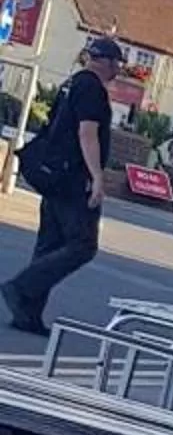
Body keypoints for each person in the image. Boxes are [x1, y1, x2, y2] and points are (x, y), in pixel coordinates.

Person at [2, 36, 123, 334]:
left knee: (49, 244)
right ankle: (21, 287)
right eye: (117, 63)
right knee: (83, 245)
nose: (118, 69)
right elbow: (87, 133)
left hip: (54, 174)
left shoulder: (72, 83)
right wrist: (96, 177)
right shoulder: (92, 89)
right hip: (73, 179)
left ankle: (27, 313)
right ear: (106, 62)